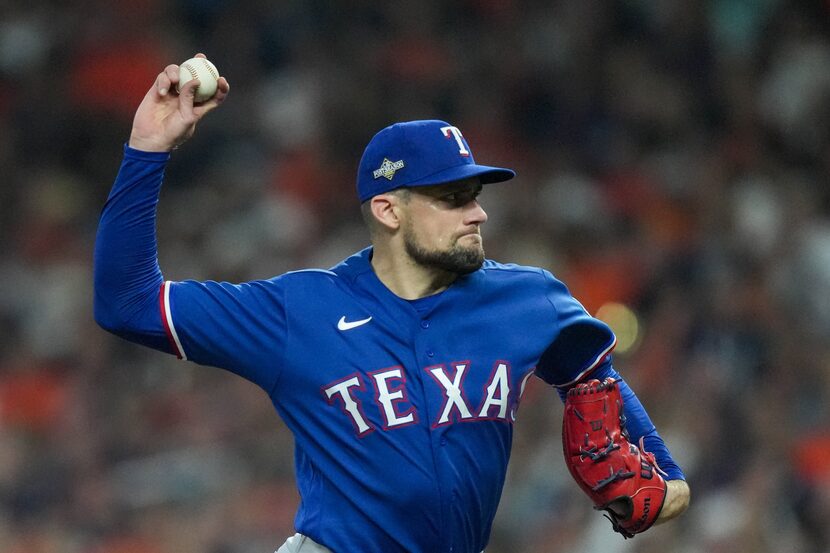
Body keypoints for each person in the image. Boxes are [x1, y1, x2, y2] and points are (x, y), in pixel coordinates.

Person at [94, 55, 690, 553]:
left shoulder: (527, 300)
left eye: (475, 195)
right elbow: (128, 303)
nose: (478, 212)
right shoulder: (299, 310)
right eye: (453, 198)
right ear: (388, 210)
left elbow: (591, 373)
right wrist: (147, 150)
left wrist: (667, 475)